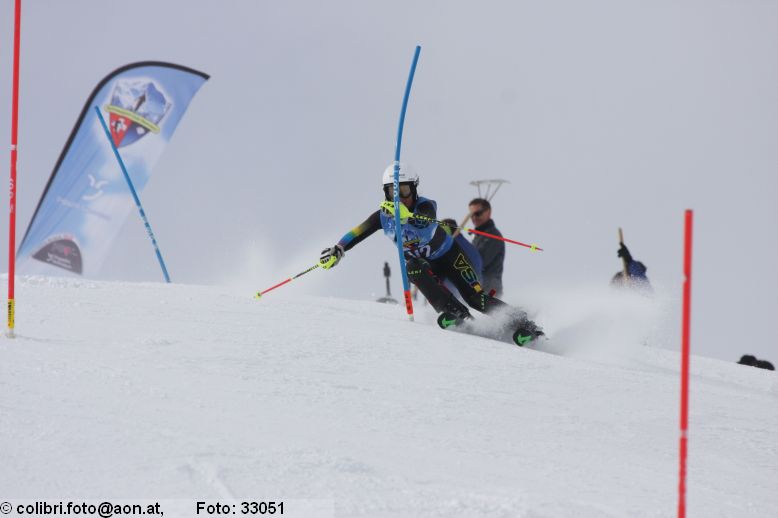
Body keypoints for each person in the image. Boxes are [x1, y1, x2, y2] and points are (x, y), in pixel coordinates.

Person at [318, 163, 543, 345]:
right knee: (412, 267)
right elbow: (357, 232)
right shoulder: (383, 217)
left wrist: (405, 216)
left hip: (450, 256)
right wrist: (339, 249)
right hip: (425, 265)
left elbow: (425, 225)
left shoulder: (426, 206)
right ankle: (457, 314)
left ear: (414, 189)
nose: (400, 197)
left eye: (404, 191)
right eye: (393, 192)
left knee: (476, 298)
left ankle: (525, 325)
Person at [467, 198, 505, 297]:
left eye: (478, 213)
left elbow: (478, 262)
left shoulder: (493, 236)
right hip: (478, 288)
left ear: (488, 212)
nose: (474, 217)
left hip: (490, 291)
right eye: (471, 215)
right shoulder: (478, 236)